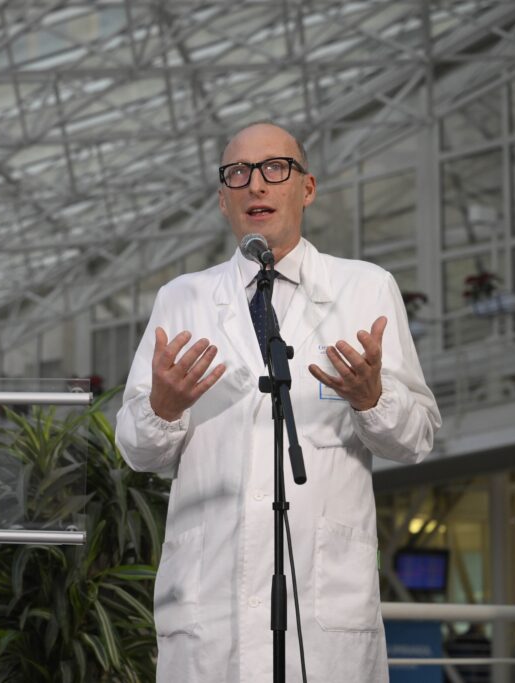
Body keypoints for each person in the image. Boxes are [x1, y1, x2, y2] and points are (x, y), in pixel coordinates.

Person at [115, 122, 441, 682]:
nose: (255, 185)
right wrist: (162, 410)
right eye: (237, 174)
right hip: (210, 608)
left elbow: (416, 440)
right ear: (223, 200)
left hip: (323, 607)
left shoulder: (364, 288)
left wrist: (373, 400)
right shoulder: (182, 299)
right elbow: (138, 451)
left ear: (306, 188)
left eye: (274, 169)